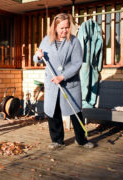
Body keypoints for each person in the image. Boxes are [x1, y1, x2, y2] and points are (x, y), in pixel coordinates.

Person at [33, 13, 94, 150]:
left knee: (75, 112)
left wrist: (63, 76)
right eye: (61, 28)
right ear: (55, 27)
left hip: (69, 83)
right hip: (52, 84)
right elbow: (36, 58)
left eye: (67, 27)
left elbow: (77, 63)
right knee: (53, 112)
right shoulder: (46, 40)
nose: (64, 31)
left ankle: (81, 140)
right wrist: (38, 56)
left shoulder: (74, 42)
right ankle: (57, 140)